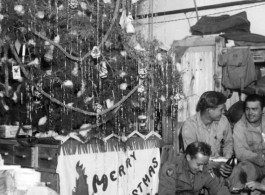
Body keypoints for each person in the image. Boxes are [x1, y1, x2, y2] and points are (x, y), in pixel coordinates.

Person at [181, 91, 233, 177]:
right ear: (209, 110)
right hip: (199, 167)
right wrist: (216, 165)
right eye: (220, 110)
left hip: (220, 164)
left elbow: (229, 142)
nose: (223, 112)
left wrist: (227, 162)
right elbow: (194, 158)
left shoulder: (223, 120)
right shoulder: (189, 126)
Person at [158, 141, 231, 195]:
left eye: (204, 164)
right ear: (188, 157)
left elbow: (218, 187)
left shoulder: (205, 166)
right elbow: (166, 193)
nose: (201, 169)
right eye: (198, 164)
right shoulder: (171, 167)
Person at [233, 94, 265, 162]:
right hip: (251, 163)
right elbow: (240, 152)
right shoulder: (239, 127)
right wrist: (260, 158)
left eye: (254, 109)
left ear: (263, 110)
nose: (250, 113)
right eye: (247, 109)